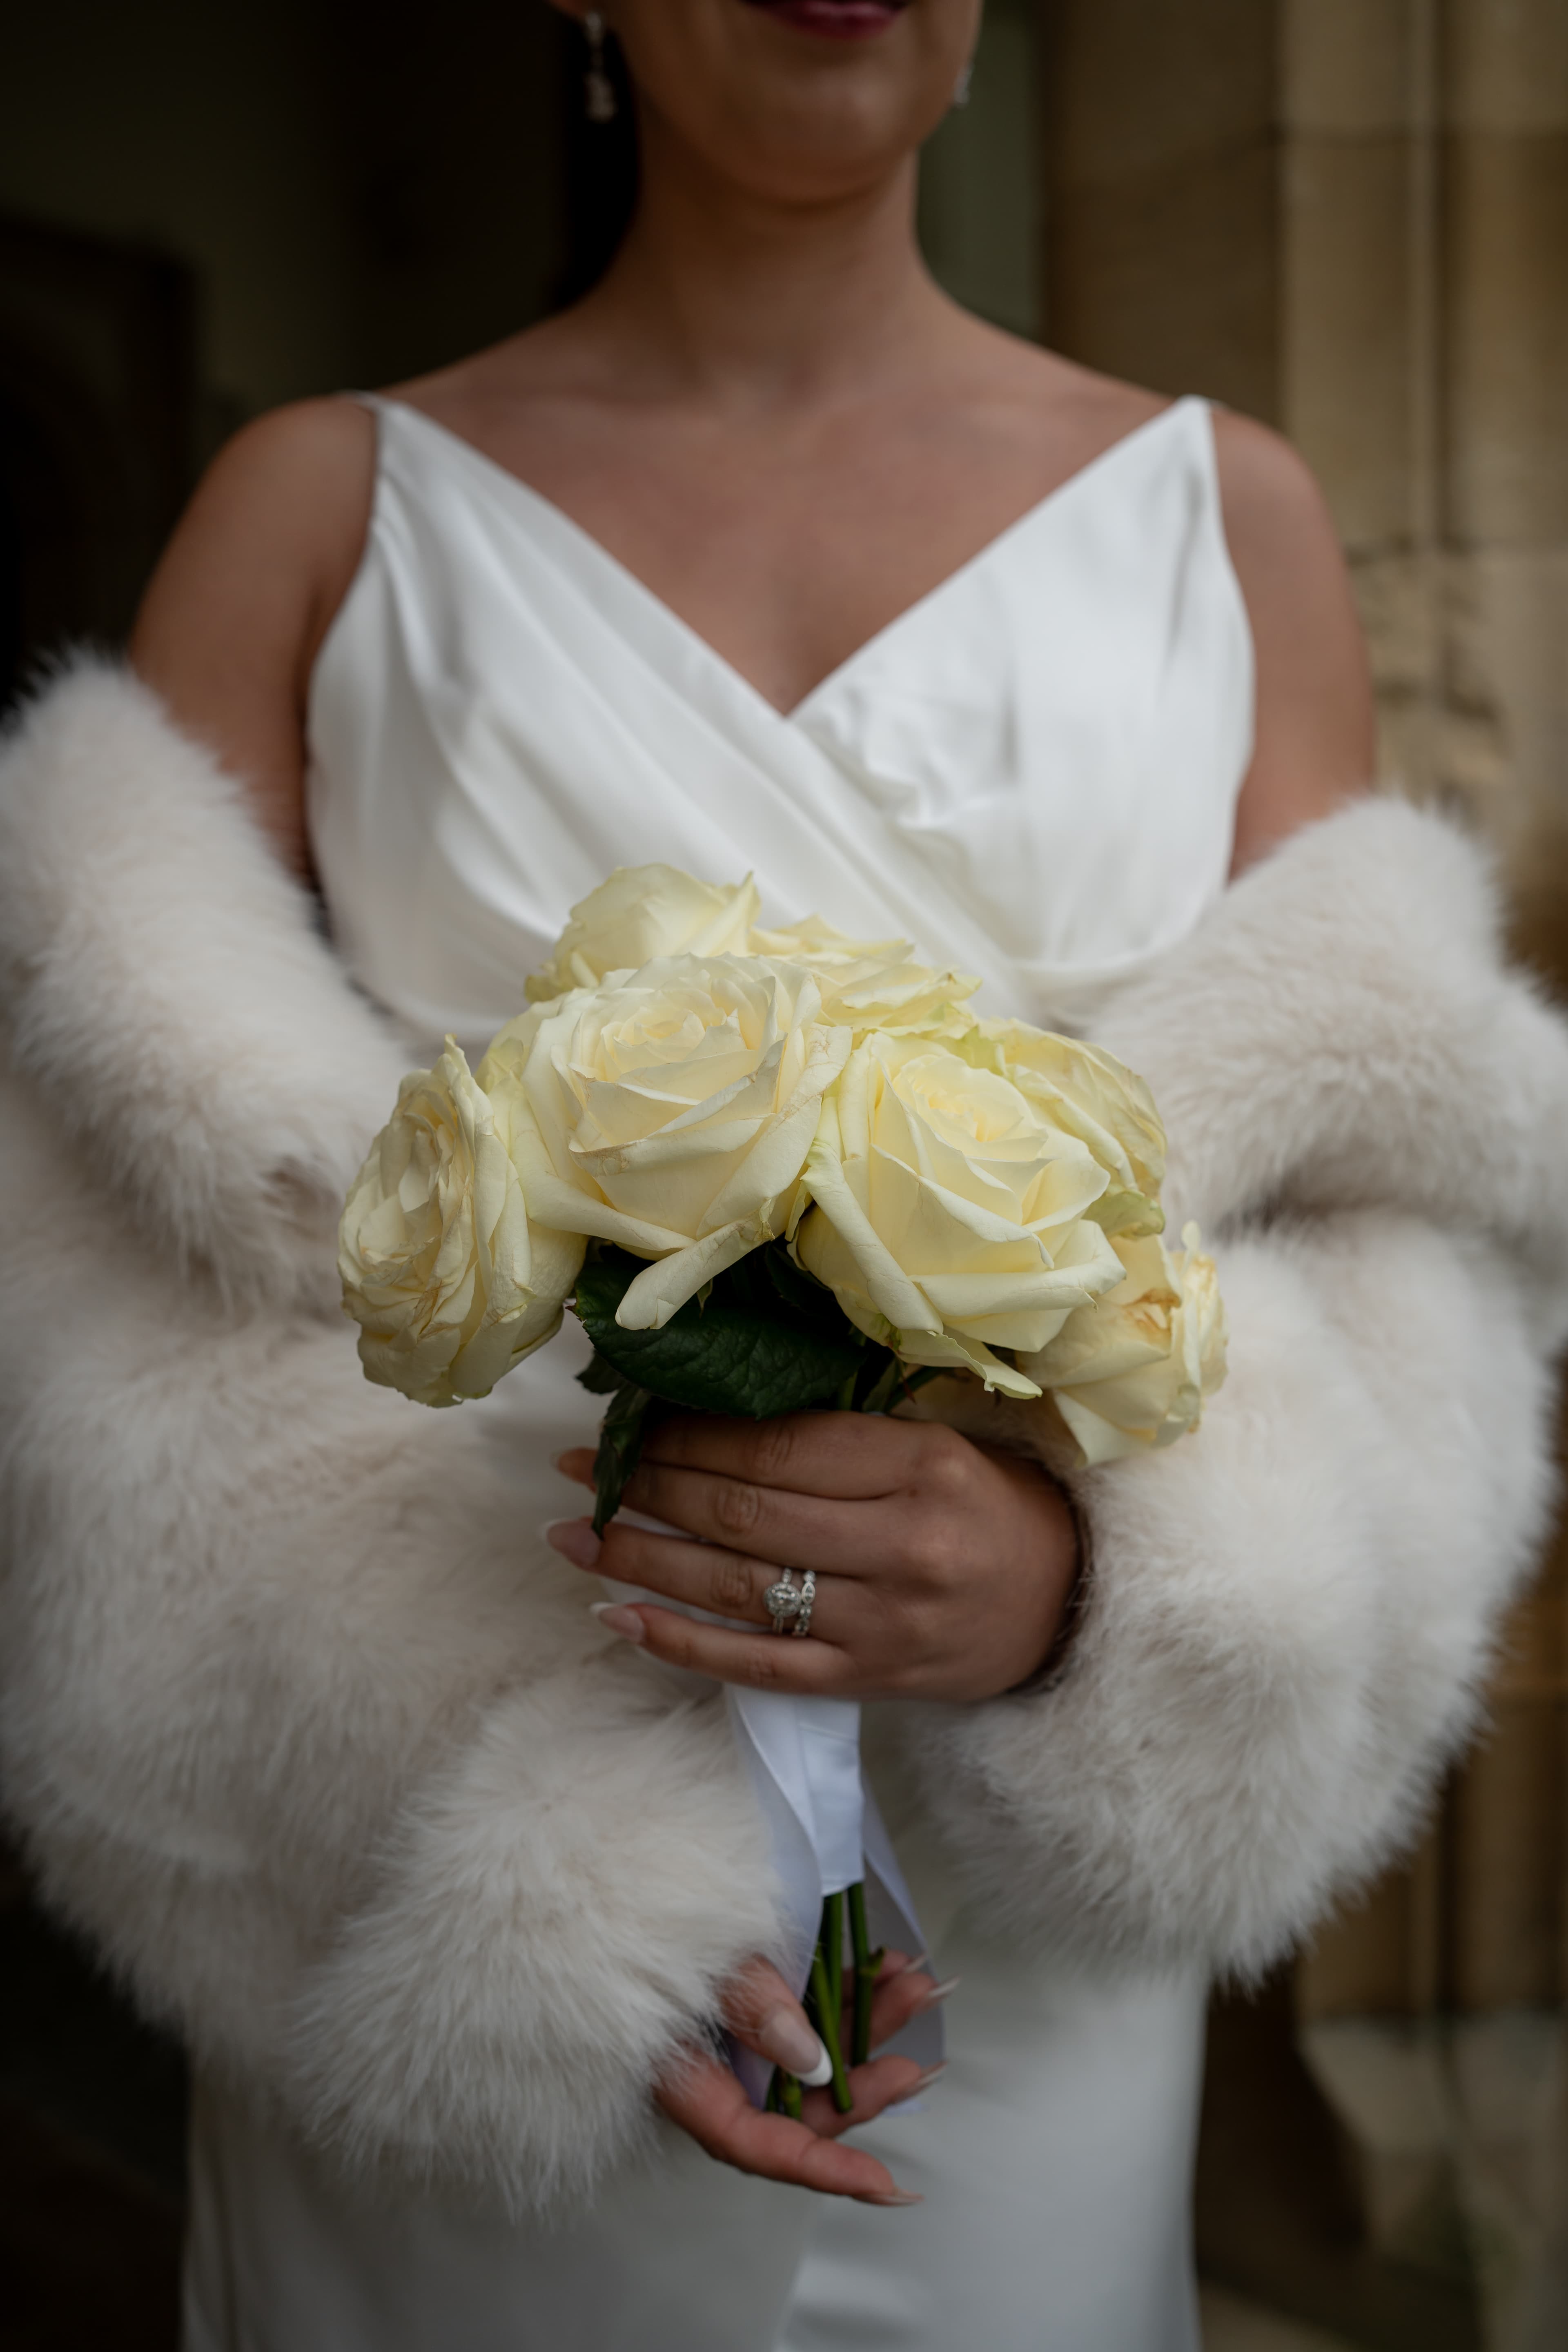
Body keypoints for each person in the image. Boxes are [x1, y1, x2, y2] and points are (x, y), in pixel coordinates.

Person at [2, 3, 1565, 2347]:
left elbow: (1378, 1224)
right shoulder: (328, 504)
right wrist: (529, 1897)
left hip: (1008, 1960)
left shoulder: (1222, 513)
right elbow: (88, 1263)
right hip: (445, 1874)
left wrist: (1100, 1592)